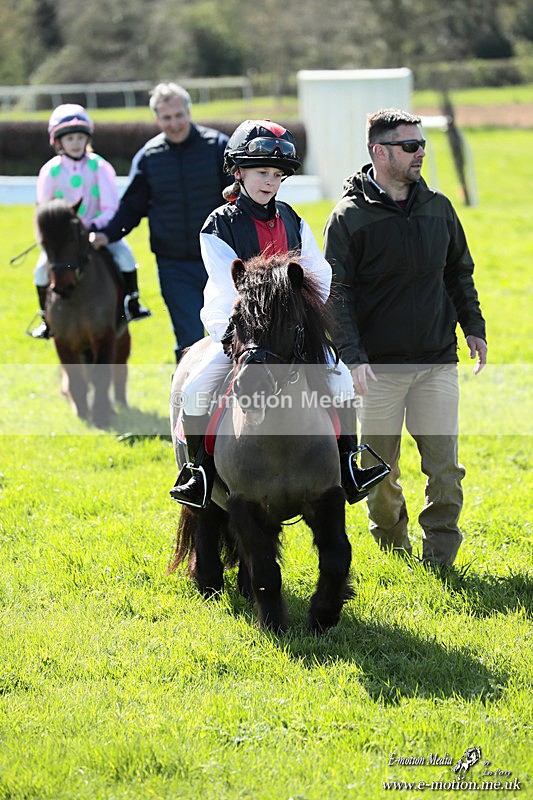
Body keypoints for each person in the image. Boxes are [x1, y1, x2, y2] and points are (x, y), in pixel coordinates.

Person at [170, 119, 390, 509]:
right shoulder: (218, 225)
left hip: (291, 332)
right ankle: (199, 475)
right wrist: (234, 336)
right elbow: (225, 288)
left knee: (339, 381)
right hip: (239, 331)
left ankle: (349, 464)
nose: (269, 181)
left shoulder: (293, 218)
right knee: (194, 390)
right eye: (260, 172)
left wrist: (306, 318)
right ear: (238, 172)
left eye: (276, 174)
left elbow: (318, 272)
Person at [323, 108, 488, 567]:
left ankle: (439, 557)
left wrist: (473, 327)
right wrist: (353, 359)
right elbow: (336, 296)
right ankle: (394, 549)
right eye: (409, 146)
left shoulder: (438, 207)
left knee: (446, 470)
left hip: (437, 362)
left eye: (421, 145)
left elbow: (459, 272)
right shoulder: (348, 218)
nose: (420, 153)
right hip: (376, 370)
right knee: (379, 473)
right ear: (379, 151)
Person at [91, 82, 230, 363]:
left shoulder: (218, 147)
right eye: (167, 117)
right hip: (174, 264)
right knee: (190, 340)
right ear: (157, 119)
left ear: (189, 112)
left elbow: (240, 199)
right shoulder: (149, 157)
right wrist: (105, 234)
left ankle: (232, 404)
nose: (175, 123)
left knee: (230, 335)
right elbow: (130, 208)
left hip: (221, 258)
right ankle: (191, 405)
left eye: (179, 115)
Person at [30, 104, 151, 339]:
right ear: (58, 142)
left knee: (126, 258)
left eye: (80, 137)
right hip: (64, 239)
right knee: (39, 272)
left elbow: (110, 206)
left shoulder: (100, 167)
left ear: (87, 138)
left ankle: (133, 303)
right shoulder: (50, 171)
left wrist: (93, 228)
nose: (76, 142)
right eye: (70, 138)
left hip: (98, 231)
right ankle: (46, 318)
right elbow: (44, 208)